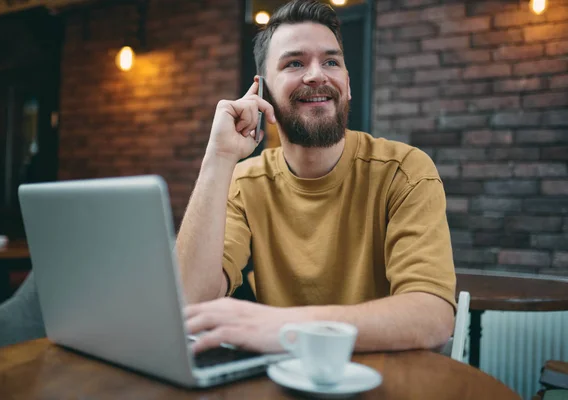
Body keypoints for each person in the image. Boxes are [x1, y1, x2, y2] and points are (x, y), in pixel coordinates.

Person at [176, 0, 456, 354]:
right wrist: (218, 159)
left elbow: (432, 317)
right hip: (286, 378)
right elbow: (189, 303)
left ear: (347, 84)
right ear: (263, 92)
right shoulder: (244, 183)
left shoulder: (406, 171)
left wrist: (284, 327)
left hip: (386, 376)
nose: (316, 75)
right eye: (295, 62)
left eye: (331, 62)